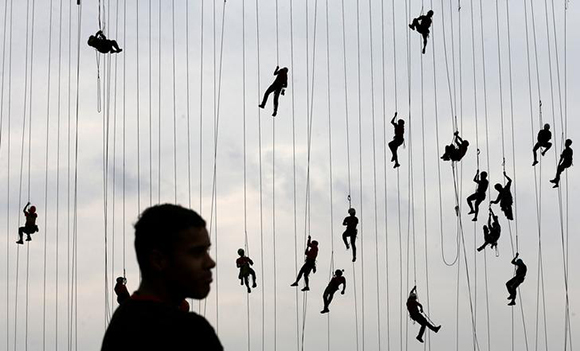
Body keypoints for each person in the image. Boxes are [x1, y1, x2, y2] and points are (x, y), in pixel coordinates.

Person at [101, 204, 222, 351]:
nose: (211, 263)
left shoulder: (121, 322)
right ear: (158, 260)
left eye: (207, 251)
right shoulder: (192, 332)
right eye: (197, 253)